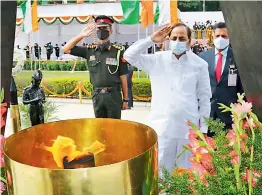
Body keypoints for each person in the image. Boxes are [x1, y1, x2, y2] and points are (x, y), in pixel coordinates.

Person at [124, 23, 211, 172]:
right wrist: (151, 40)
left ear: (189, 41)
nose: (177, 41)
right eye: (174, 38)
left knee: (185, 175)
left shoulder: (200, 65)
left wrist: (203, 128)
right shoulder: (157, 60)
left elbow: (204, 99)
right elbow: (129, 56)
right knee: (161, 173)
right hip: (161, 128)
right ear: (169, 39)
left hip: (188, 130)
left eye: (182, 38)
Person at [63, 15, 129, 119]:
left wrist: (126, 99)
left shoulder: (118, 52)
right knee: (99, 127)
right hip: (97, 95)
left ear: (110, 31)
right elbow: (66, 49)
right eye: (99, 28)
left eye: (105, 28)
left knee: (114, 127)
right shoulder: (89, 51)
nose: (101, 30)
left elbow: (123, 77)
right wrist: (81, 35)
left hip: (113, 95)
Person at [199, 22, 245, 136]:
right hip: (207, 114)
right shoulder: (203, 57)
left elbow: (242, 87)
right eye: (217, 36)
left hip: (229, 115)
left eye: (224, 36)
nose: (220, 39)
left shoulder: (237, 57)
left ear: (229, 37)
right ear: (213, 36)